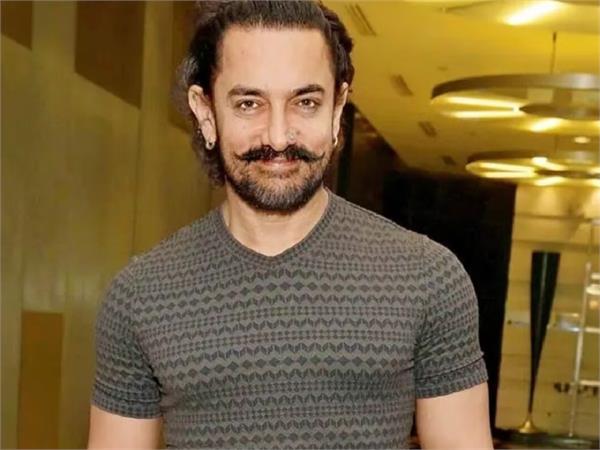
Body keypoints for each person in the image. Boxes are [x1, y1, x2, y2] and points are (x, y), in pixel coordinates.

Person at [87, 1, 493, 448]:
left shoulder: (428, 278)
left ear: (337, 109)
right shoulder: (141, 296)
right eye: (249, 104)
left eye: (305, 103)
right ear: (206, 113)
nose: (278, 137)